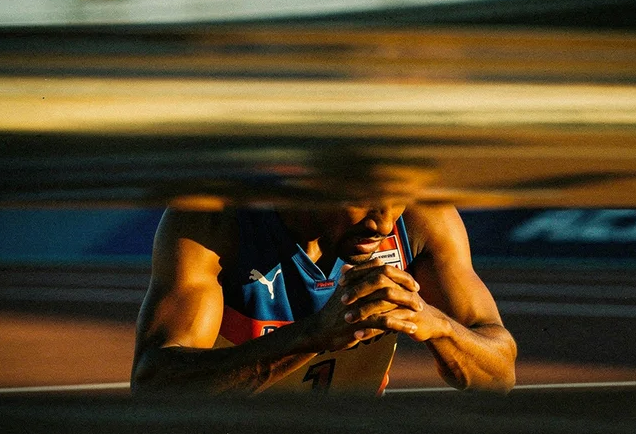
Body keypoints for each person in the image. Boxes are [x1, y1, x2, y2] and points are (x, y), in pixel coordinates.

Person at [131, 150, 516, 399]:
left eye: (398, 198)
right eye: (361, 199)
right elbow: (154, 385)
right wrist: (312, 335)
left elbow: (500, 373)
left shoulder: (422, 221)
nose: (382, 223)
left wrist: (438, 326)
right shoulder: (217, 221)